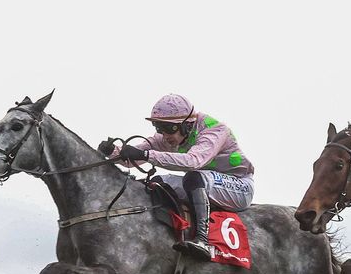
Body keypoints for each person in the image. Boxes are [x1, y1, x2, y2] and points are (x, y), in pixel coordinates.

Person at [100, 93, 255, 260]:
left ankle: (203, 241)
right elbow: (133, 159)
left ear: (187, 125)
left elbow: (193, 161)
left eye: (169, 128)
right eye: (159, 128)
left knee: (193, 177)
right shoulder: (169, 137)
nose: (165, 135)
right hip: (206, 182)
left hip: (240, 188)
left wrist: (146, 154)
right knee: (155, 183)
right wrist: (114, 152)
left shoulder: (215, 131)